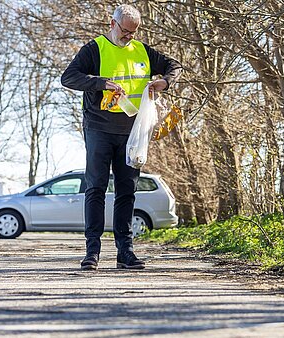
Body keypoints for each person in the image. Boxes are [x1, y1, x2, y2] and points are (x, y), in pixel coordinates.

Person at [61, 4, 182, 270]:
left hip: (132, 132)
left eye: (133, 32)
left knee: (127, 191)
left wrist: (165, 81)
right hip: (98, 129)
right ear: (112, 23)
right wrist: (100, 82)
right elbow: (68, 78)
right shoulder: (95, 49)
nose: (129, 37)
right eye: (125, 31)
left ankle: (125, 252)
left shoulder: (142, 51)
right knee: (96, 188)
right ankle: (92, 252)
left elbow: (174, 66)